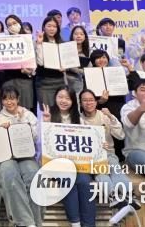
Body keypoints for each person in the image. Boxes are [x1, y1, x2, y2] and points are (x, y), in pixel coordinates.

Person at [41, 86, 96, 227]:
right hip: (56, 164)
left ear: (73, 101)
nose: (63, 101)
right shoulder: (47, 115)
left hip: (77, 163)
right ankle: (75, 223)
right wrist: (46, 123)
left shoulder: (79, 119)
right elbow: (41, 144)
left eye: (67, 98)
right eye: (60, 97)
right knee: (68, 179)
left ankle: (89, 224)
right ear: (55, 98)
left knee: (85, 182)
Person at [79, 89, 139, 211]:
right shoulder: (78, 120)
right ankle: (113, 197)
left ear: (96, 102)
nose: (88, 103)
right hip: (91, 158)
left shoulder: (104, 115)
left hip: (109, 153)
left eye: (91, 100)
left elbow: (120, 135)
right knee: (101, 173)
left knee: (115, 169)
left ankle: (129, 195)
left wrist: (111, 117)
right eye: (85, 100)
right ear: (80, 103)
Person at [0, 86, 44, 227]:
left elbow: (35, 137)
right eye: (5, 99)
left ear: (18, 99)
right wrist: (1, 131)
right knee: (10, 177)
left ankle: (35, 222)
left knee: (34, 176)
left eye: (12, 99)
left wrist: (21, 122)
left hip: (26, 155)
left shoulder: (28, 114)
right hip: (7, 157)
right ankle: (25, 222)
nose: (9, 102)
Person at [1, 14, 35, 110]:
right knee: (9, 109)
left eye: (14, 23)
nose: (12, 26)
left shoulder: (28, 40)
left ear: (19, 23)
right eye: (9, 25)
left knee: (25, 110)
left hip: (24, 80)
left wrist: (29, 71)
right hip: (8, 80)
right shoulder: (3, 41)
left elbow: (34, 61)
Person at [34, 16, 65, 108]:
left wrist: (65, 67)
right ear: (44, 27)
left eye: (54, 26)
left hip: (59, 81)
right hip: (44, 82)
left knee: (60, 109)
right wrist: (39, 44)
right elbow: (40, 62)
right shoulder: (37, 42)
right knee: (47, 110)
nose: (52, 29)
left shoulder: (61, 43)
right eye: (49, 26)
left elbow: (65, 62)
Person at [66, 25, 90, 98]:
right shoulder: (66, 49)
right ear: (72, 36)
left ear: (85, 37)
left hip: (79, 84)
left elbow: (89, 71)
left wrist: (74, 69)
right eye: (76, 34)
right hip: (65, 82)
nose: (78, 36)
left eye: (81, 34)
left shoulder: (88, 52)